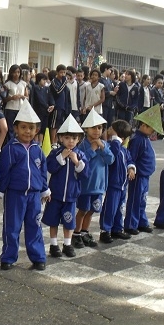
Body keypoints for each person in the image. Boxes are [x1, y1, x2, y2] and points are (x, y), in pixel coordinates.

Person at [0, 100, 50, 271]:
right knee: (12, 227)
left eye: (31, 128)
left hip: (34, 196)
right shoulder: (10, 149)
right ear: (15, 128)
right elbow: (4, 171)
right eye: (23, 127)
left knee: (35, 226)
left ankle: (38, 257)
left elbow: (42, 171)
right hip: (15, 195)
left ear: (36, 130)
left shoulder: (38, 149)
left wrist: (44, 189)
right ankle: (8, 257)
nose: (27, 131)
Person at [42, 115, 88, 258]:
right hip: (55, 194)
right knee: (53, 220)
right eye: (67, 138)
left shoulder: (80, 155)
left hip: (71, 196)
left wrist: (77, 162)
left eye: (74, 138)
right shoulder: (55, 153)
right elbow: (50, 168)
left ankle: (67, 244)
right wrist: (61, 157)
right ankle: (53, 245)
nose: (71, 141)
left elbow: (86, 174)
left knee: (69, 221)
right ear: (61, 138)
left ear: (78, 139)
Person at [73, 108, 114, 248]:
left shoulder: (105, 144)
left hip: (99, 185)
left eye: (100, 128)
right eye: (93, 127)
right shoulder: (82, 145)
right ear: (86, 129)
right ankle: (76, 234)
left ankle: (85, 232)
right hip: (86, 186)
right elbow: (82, 161)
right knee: (83, 210)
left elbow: (110, 160)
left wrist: (103, 147)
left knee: (92, 210)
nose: (97, 130)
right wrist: (93, 149)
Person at [124, 105, 163, 235]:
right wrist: (131, 169)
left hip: (145, 176)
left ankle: (141, 222)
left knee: (142, 200)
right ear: (144, 125)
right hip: (138, 176)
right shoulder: (137, 139)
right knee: (135, 200)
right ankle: (131, 224)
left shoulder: (144, 138)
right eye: (152, 129)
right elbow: (131, 157)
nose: (153, 132)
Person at [99, 120, 135, 243]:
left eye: (111, 128)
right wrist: (115, 139)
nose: (108, 129)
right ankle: (105, 230)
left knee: (120, 208)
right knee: (110, 208)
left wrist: (131, 168)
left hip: (123, 185)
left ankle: (117, 228)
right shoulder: (111, 146)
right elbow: (113, 155)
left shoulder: (124, 150)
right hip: (113, 184)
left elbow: (130, 160)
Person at [49, 64, 71, 147]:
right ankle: (52, 142)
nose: (63, 74)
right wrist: (64, 83)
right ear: (57, 72)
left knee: (59, 125)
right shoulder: (54, 81)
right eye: (61, 72)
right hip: (56, 106)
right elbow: (58, 91)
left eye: (64, 72)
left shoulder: (63, 82)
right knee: (54, 125)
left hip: (62, 106)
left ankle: (56, 141)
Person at [3, 64, 28, 139]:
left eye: (18, 72)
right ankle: (11, 141)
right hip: (10, 108)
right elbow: (4, 98)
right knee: (10, 127)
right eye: (14, 72)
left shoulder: (23, 83)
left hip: (20, 108)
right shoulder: (7, 84)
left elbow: (27, 97)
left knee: (20, 127)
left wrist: (22, 96)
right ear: (11, 73)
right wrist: (11, 98)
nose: (16, 74)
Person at [29, 72, 54, 144]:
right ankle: (35, 143)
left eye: (46, 80)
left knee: (43, 128)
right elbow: (40, 99)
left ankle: (40, 143)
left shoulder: (47, 88)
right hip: (38, 111)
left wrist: (52, 105)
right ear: (39, 80)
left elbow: (50, 97)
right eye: (43, 80)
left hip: (45, 112)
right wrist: (47, 106)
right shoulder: (36, 88)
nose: (45, 81)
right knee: (37, 128)